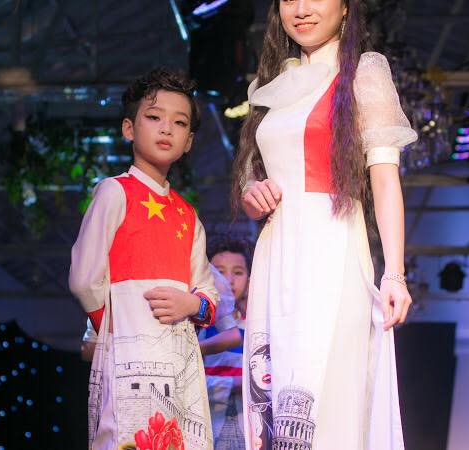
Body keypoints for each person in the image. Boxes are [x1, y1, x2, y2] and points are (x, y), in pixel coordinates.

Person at [232, 1, 418, 449]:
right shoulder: (272, 85)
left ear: (346, 7)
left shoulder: (362, 73)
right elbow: (255, 176)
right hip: (276, 253)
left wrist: (394, 273)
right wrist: (253, 192)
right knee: (272, 395)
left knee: (328, 395)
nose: (301, 9)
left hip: (332, 248)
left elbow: (384, 178)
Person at [69, 68, 218, 450]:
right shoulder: (114, 192)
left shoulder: (188, 216)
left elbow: (207, 291)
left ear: (189, 141)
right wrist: (117, 334)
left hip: (179, 359)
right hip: (129, 358)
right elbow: (84, 278)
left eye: (179, 122)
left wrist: (192, 304)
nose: (166, 128)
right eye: (154, 117)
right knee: (128, 436)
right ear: (129, 128)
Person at [199, 238, 253, 449]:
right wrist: (235, 384)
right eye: (219, 271)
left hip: (247, 427)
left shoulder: (257, 326)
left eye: (238, 272)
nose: (228, 280)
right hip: (207, 424)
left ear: (249, 279)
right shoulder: (200, 325)